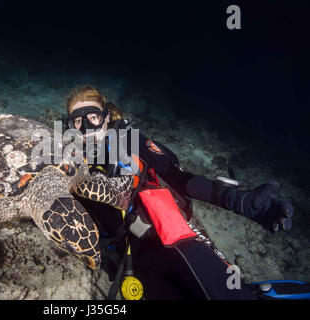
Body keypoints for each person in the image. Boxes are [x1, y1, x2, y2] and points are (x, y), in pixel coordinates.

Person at [63, 85, 299, 300]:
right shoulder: (67, 162)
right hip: (131, 266)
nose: (85, 128)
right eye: (77, 122)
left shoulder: (128, 141)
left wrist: (238, 200)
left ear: (105, 118)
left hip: (174, 242)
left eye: (93, 118)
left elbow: (178, 177)